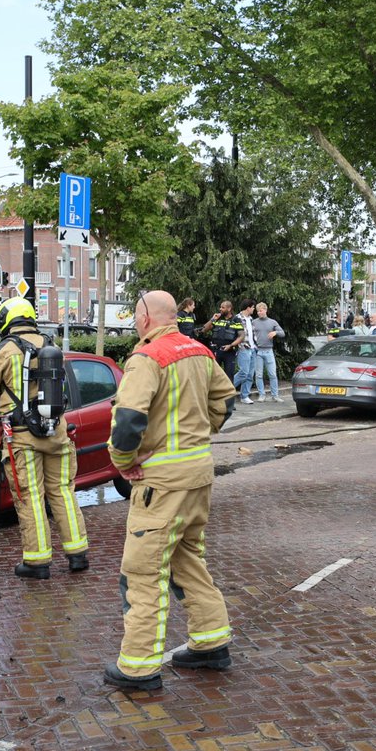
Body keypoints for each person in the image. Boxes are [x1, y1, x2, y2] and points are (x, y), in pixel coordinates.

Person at [104, 290, 237, 691]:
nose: (134, 324)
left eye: (135, 317)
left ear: (146, 317)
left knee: (142, 572)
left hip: (160, 482)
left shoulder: (147, 358)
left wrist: (124, 464)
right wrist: (200, 435)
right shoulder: (198, 351)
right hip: (198, 474)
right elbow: (225, 402)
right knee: (187, 559)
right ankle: (211, 642)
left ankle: (139, 667)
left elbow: (127, 422)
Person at [0, 296, 89, 579]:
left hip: (22, 438)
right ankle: (78, 554)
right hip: (57, 431)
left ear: (6, 321)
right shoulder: (50, 346)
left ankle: (37, 562)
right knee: (63, 492)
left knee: (31, 497)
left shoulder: (4, 351)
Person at [199, 300, 244, 381]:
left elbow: (241, 336)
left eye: (223, 307)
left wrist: (231, 345)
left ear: (229, 308)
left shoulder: (236, 320)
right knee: (213, 375)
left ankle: (229, 393)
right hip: (216, 350)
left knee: (229, 376)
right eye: (220, 307)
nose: (220, 309)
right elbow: (204, 329)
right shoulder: (217, 319)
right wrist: (212, 319)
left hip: (229, 352)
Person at [250, 302, 286, 402]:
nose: (259, 313)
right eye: (257, 311)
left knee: (272, 374)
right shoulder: (254, 322)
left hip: (269, 351)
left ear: (265, 310)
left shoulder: (272, 322)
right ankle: (262, 395)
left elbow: (282, 333)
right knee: (258, 375)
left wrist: (275, 332)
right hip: (258, 351)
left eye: (261, 311)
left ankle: (275, 395)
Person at [232, 298, 258, 404]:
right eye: (252, 308)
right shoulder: (237, 318)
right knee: (244, 372)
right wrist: (238, 345)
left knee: (250, 374)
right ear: (248, 308)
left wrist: (256, 346)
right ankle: (226, 389)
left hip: (253, 349)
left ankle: (245, 396)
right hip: (243, 348)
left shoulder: (251, 319)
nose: (253, 310)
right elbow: (234, 333)